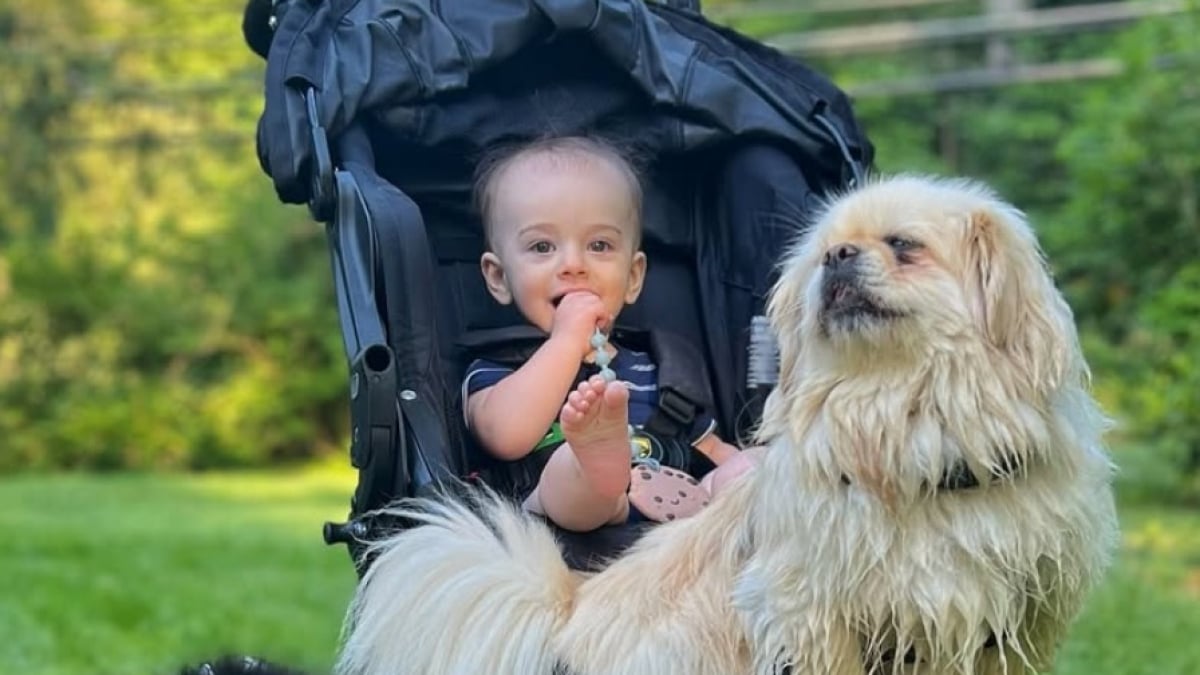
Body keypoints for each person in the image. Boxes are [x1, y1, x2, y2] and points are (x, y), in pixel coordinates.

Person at [462, 135, 755, 532]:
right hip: (561, 519)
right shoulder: (498, 370)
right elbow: (506, 436)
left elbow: (710, 447)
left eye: (599, 245)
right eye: (542, 246)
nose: (573, 264)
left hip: (678, 522)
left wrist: (745, 467)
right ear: (498, 277)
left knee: (756, 465)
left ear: (633, 277)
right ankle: (597, 461)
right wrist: (566, 341)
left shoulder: (658, 366)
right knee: (571, 474)